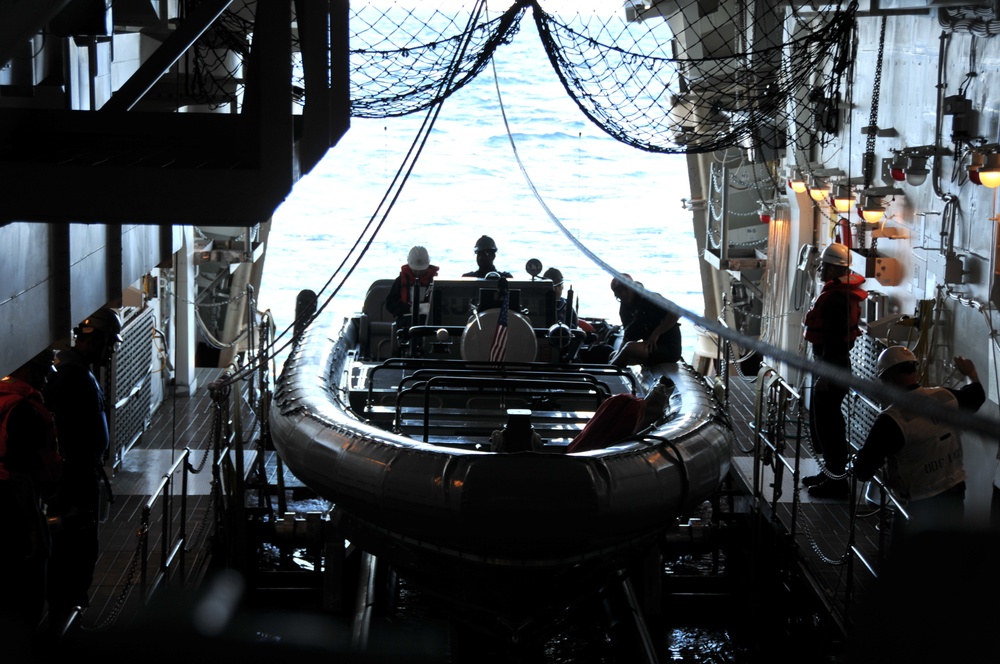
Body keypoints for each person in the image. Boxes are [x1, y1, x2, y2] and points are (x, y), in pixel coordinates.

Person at [851, 347, 985, 544]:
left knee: (910, 566)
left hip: (918, 505)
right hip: (954, 494)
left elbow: (863, 470)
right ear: (915, 371)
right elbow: (977, 394)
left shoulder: (892, 420)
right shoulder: (946, 397)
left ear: (886, 379)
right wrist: (971, 374)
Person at [43, 307, 121, 629]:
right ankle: (62, 619)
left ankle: (68, 610)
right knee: (73, 552)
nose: (112, 351)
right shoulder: (70, 376)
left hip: (80, 477)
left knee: (78, 551)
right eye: (109, 343)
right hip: (74, 481)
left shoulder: (78, 371)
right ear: (96, 340)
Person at [0, 351, 61, 645]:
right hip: (16, 511)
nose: (47, 376)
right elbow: (20, 471)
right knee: (28, 588)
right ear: (28, 370)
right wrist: (35, 527)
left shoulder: (5, 399)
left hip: (7, 503)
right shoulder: (24, 410)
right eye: (42, 370)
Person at [801, 243, 868, 498]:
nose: (819, 270)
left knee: (830, 428)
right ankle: (830, 473)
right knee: (826, 423)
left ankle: (837, 482)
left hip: (832, 368)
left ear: (830, 268)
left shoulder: (837, 299)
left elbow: (834, 340)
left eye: (822, 266)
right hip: (832, 366)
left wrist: (825, 376)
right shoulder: (840, 294)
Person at [608, 275, 682, 367]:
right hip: (649, 347)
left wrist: (656, 334)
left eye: (625, 289)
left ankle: (611, 369)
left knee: (630, 348)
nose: (623, 294)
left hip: (668, 348)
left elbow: (677, 312)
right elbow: (628, 336)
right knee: (613, 355)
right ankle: (612, 369)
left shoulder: (649, 298)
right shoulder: (625, 309)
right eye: (619, 291)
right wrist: (617, 354)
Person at [385, 245, 439, 327]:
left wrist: (429, 308)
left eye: (421, 270)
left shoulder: (435, 282)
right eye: (415, 270)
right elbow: (390, 304)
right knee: (415, 325)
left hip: (430, 319)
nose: (418, 272)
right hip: (406, 319)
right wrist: (410, 309)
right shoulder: (400, 281)